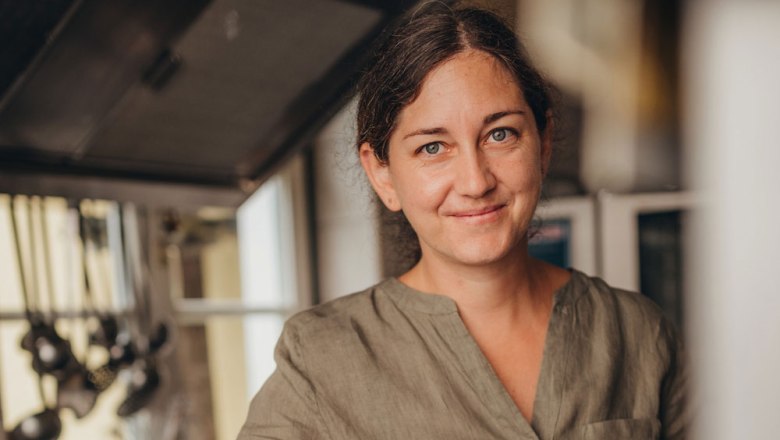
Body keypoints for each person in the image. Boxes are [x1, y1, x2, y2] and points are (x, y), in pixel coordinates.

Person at [239, 2, 687, 439]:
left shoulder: (637, 332)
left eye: (500, 134)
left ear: (543, 143)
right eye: (432, 147)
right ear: (382, 174)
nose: (475, 182)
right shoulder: (322, 359)